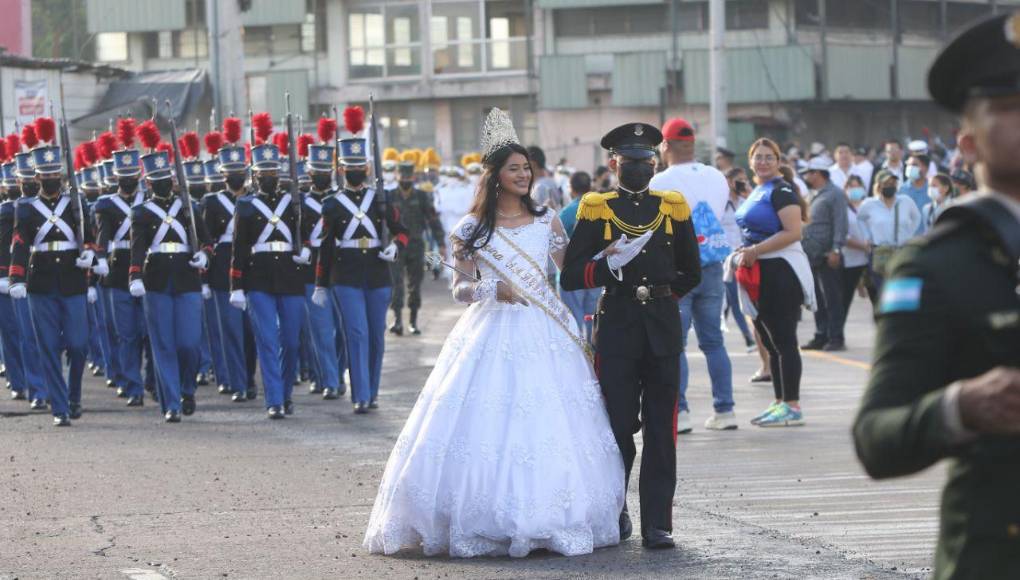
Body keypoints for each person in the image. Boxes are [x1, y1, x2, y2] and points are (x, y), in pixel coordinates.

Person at [364, 109, 625, 558]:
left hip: (544, 329)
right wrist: (491, 287)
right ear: (496, 176)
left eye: (527, 168)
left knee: (549, 423)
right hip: (491, 331)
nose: (524, 175)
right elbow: (460, 287)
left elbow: (568, 274)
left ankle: (551, 515)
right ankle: (485, 518)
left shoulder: (548, 221)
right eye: (515, 169)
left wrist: (608, 260)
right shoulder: (471, 229)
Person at [853, 13, 1020, 578]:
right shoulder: (937, 266)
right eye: (1011, 106)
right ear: (967, 140)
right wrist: (961, 407)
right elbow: (877, 437)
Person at [561, 121, 701, 549]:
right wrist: (611, 268)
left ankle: (657, 523)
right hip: (618, 324)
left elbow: (690, 271)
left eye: (646, 162)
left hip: (661, 325)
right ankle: (614, 510)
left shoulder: (672, 205)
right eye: (631, 162)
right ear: (614, 162)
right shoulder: (595, 207)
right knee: (617, 426)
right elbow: (571, 277)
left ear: (655, 163)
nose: (639, 168)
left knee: (662, 429)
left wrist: (659, 294)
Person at [313, 106, 409, 414]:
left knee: (376, 337)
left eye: (360, 164)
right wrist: (321, 283)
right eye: (349, 165)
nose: (356, 170)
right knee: (356, 334)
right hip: (347, 274)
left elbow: (402, 231)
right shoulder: (332, 203)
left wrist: (395, 247)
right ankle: (360, 394)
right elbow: (326, 245)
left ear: (367, 168)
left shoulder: (381, 199)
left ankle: (373, 391)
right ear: (341, 169)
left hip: (378, 274)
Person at [649, 117, 736, 433]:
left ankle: (681, 412)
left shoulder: (658, 183)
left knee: (676, 343)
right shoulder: (717, 177)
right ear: (693, 143)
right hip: (711, 266)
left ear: (666, 145)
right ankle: (725, 410)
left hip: (676, 270)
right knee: (713, 342)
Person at [9, 117, 95, 427]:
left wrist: (89, 252)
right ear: (37, 176)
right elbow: (20, 242)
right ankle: (59, 407)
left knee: (78, 343)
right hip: (41, 281)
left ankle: (73, 395)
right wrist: (17, 277)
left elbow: (91, 234)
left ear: (60, 173)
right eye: (45, 175)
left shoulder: (77, 202)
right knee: (47, 346)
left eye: (54, 173)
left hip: (73, 278)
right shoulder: (27, 207)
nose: (50, 179)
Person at [129, 122, 211, 423]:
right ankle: (171, 402)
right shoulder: (141, 212)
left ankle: (187, 388)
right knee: (163, 343)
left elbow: (205, 239)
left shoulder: (189, 205)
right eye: (158, 178)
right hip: (156, 279)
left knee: (189, 343)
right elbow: (137, 247)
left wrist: (205, 253)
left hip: (188, 277)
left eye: (168, 177)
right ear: (149, 183)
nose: (164, 182)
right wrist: (135, 276)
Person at [229, 115, 309, 420]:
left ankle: (286, 393)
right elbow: (238, 247)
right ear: (254, 174)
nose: (269, 176)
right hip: (259, 277)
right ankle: (273, 400)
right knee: (267, 340)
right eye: (264, 171)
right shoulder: (246, 205)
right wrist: (236, 286)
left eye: (273, 170)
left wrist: (307, 253)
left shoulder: (293, 201)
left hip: (290, 275)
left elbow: (311, 233)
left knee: (290, 340)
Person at [732, 138, 815, 428]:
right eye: (759, 157)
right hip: (759, 272)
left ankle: (792, 404)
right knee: (769, 340)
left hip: (780, 272)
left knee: (784, 340)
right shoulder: (759, 190)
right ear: (751, 160)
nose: (764, 162)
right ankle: (780, 401)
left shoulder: (781, 190)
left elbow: (794, 232)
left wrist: (755, 251)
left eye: (770, 157)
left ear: (778, 161)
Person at [93, 124, 148, 407]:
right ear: (116, 176)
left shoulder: (148, 200)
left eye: (132, 174)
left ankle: (151, 378)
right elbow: (102, 235)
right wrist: (99, 258)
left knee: (149, 332)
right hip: (117, 272)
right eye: (123, 175)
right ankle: (132, 385)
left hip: (147, 268)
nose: (128, 179)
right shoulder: (105, 204)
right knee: (126, 334)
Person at [203, 118, 255, 402]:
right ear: (222, 174)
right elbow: (205, 241)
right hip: (223, 269)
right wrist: (204, 279)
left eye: (239, 170)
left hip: (251, 268)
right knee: (231, 331)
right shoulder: (211, 203)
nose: (235, 175)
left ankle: (249, 377)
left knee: (251, 332)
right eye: (230, 171)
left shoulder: (255, 199)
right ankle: (237, 383)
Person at [300, 119, 345, 400]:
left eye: (324, 171)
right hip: (310, 268)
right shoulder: (300, 202)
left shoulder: (341, 200)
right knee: (320, 328)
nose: (320, 175)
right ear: (308, 172)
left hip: (338, 266)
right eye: (316, 171)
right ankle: (328, 378)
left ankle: (337, 373)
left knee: (341, 329)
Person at [388, 152, 445, 336]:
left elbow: (433, 221)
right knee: (396, 284)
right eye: (402, 176)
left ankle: (413, 320)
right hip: (395, 246)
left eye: (408, 176)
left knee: (415, 284)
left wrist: (441, 243)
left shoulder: (422, 196)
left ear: (413, 176)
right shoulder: (389, 196)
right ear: (397, 176)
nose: (405, 179)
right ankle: (397, 319)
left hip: (416, 245)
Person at [799, 157, 849, 352]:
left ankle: (836, 337)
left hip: (828, 254)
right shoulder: (813, 193)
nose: (806, 176)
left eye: (809, 173)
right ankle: (821, 335)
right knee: (817, 299)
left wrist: (836, 249)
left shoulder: (834, 194)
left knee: (832, 299)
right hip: (811, 254)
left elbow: (840, 223)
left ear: (818, 174)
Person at [857, 171, 921, 303]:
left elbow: (917, 217)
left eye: (893, 183)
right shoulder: (869, 204)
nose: (890, 186)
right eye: (886, 183)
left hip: (901, 251)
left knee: (901, 292)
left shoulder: (905, 201)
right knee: (883, 293)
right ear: (879, 186)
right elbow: (860, 219)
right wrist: (866, 236)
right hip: (880, 253)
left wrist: (909, 234)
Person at [558, 171, 600, 343]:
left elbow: (555, 240)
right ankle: (593, 353)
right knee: (593, 315)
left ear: (571, 189)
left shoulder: (567, 212)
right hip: (597, 271)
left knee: (574, 318)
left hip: (573, 272)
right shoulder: (602, 207)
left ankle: (580, 356)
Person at [839, 175, 872, 320]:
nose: (854, 189)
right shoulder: (842, 209)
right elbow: (842, 235)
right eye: (850, 186)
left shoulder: (870, 206)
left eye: (857, 186)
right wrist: (862, 247)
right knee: (844, 300)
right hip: (850, 260)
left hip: (870, 260)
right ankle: (837, 336)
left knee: (877, 298)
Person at [899, 153, 933, 235]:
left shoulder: (932, 189)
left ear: (926, 168)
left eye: (914, 165)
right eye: (908, 165)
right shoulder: (901, 189)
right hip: (906, 240)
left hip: (927, 239)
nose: (910, 168)